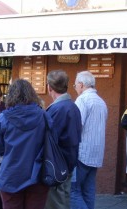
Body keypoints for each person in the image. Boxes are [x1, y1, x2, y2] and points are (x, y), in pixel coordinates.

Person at [0, 79, 51, 209]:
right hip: (38, 175)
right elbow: (52, 143)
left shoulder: (3, 118)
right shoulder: (44, 116)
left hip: (11, 175)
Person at [44, 70, 82, 209]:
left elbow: (50, 141)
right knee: (64, 202)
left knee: (56, 204)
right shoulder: (73, 106)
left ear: (49, 87)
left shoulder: (57, 109)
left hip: (57, 166)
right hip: (68, 163)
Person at [70, 71, 108, 209]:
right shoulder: (101, 101)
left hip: (82, 153)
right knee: (88, 191)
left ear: (81, 84)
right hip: (96, 154)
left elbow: (76, 126)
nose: (75, 88)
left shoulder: (82, 100)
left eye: (75, 85)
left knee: (73, 191)